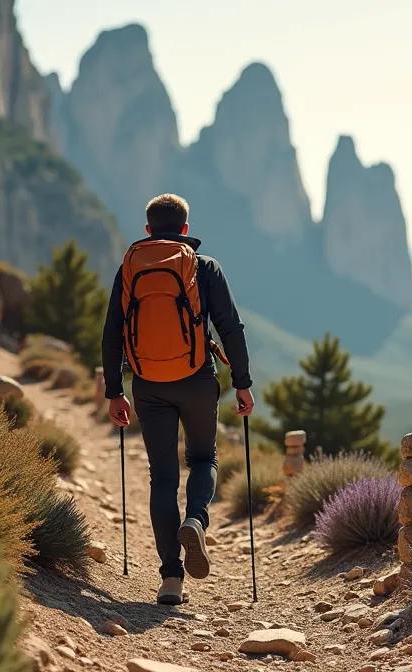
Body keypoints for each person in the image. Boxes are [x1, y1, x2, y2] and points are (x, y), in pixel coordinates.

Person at [101, 193, 254, 606]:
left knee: (162, 477)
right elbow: (231, 328)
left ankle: (170, 579)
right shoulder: (204, 267)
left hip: (148, 385)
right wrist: (242, 382)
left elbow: (112, 331)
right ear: (185, 229)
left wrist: (114, 391)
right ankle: (196, 520)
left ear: (149, 230)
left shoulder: (130, 267)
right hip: (198, 380)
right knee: (203, 459)